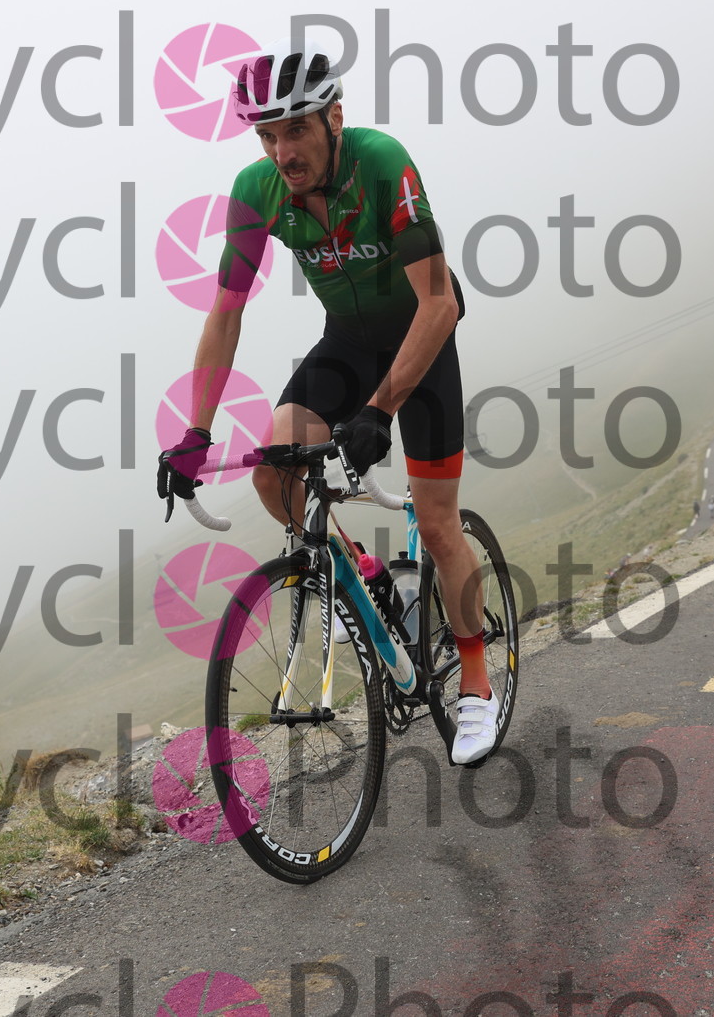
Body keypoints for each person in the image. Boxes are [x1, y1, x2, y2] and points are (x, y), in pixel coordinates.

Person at [157, 38, 498, 765]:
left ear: (333, 119)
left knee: (439, 525)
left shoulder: (381, 163)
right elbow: (226, 312)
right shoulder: (257, 191)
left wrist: (380, 410)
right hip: (346, 342)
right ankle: (368, 582)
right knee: (274, 470)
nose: (283, 152)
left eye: (296, 130)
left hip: (422, 336)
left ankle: (475, 682)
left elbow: (439, 302)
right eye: (267, 136)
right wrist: (195, 432)